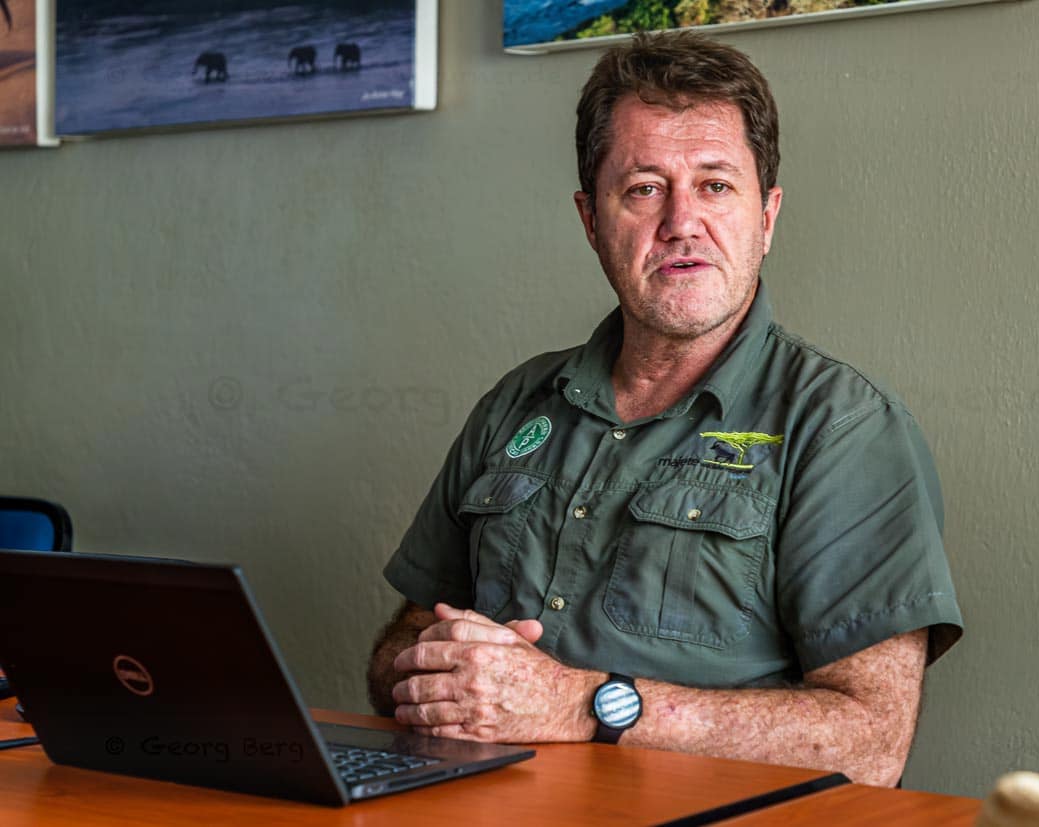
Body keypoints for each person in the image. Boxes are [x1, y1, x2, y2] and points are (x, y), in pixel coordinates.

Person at [367, 30, 962, 787]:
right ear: (591, 220)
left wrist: (588, 705)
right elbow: (402, 645)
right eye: (644, 187)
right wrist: (437, 672)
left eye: (716, 185)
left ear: (768, 215)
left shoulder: (842, 427)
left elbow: (870, 742)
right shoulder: (516, 404)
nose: (682, 221)